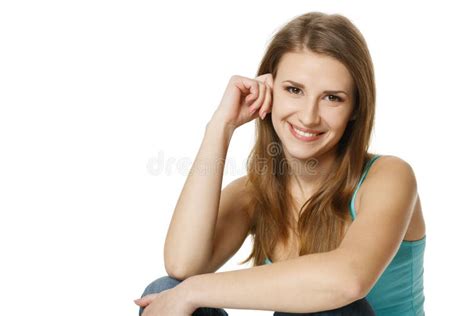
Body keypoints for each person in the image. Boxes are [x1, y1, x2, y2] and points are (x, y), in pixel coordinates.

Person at [135, 11, 426, 316]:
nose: (309, 116)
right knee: (165, 291)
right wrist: (221, 125)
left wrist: (194, 290)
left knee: (322, 303)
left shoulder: (390, 177)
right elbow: (182, 264)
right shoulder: (254, 192)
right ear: (269, 90)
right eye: (294, 90)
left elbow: (348, 281)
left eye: (332, 98)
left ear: (355, 108)